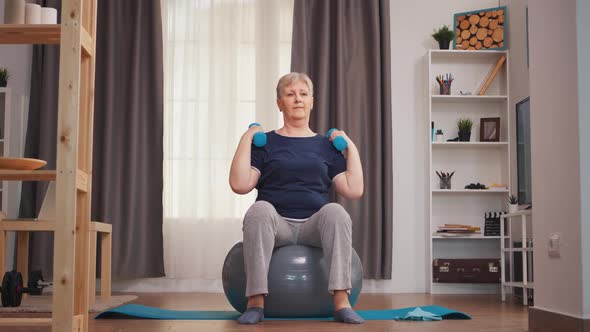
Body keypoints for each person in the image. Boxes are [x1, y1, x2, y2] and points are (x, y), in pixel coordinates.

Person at [228, 72, 364, 324]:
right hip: (277, 225)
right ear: (279, 103)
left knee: (336, 211)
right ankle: (256, 301)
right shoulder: (265, 142)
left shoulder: (325, 146)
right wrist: (247, 137)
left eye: (303, 94)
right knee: (259, 209)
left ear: (312, 101)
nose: (297, 99)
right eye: (290, 94)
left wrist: (350, 147)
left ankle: (341, 302)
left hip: (314, 227)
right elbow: (239, 184)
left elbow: (354, 189)